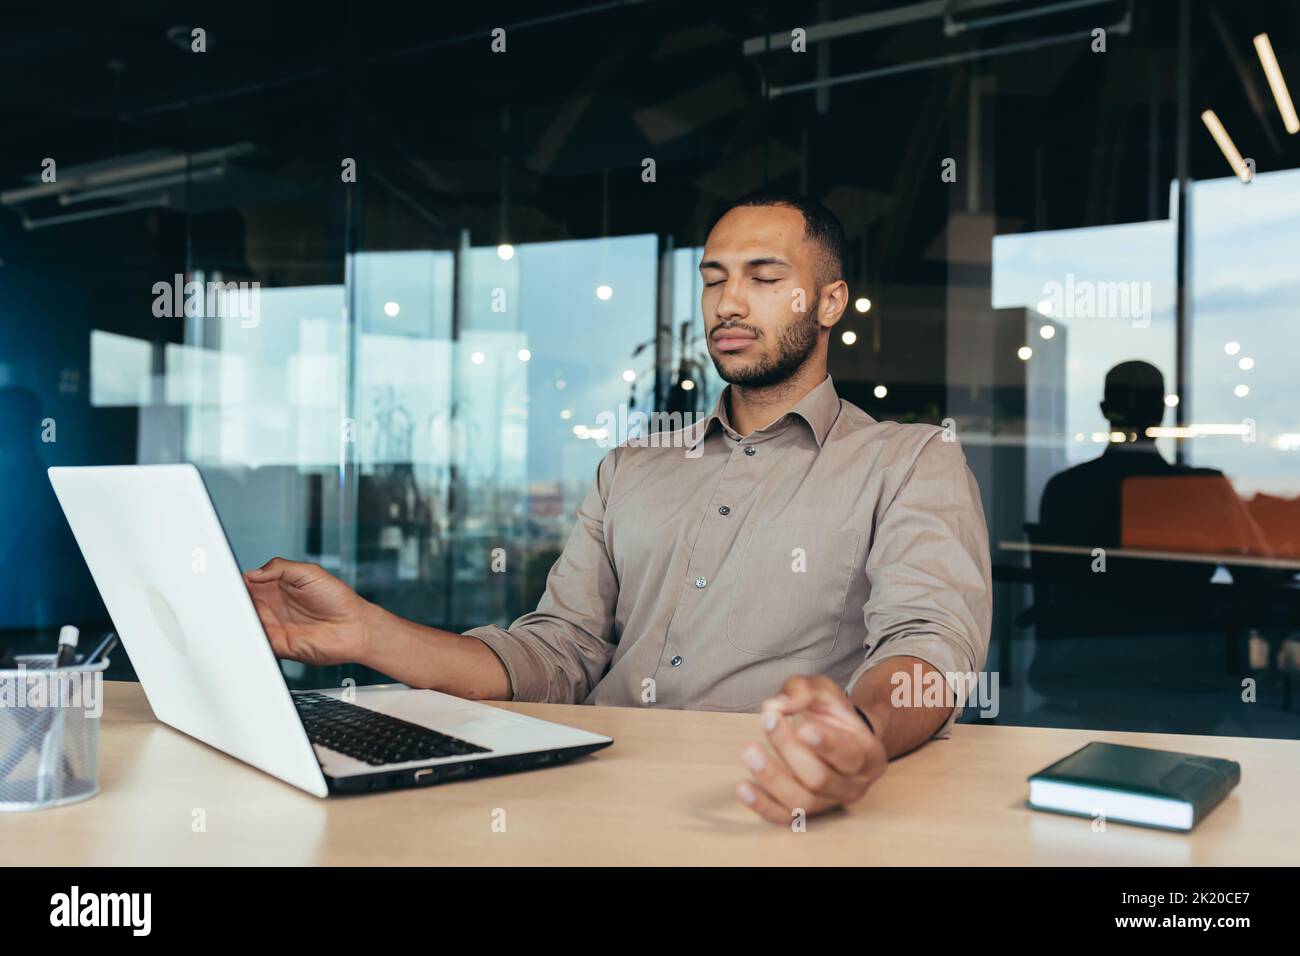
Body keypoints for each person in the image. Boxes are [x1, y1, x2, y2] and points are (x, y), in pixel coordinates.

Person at [245, 194, 992, 824]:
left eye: (764, 278)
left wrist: (856, 731)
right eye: (713, 280)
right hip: (588, 801)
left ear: (829, 301)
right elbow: (556, 652)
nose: (728, 303)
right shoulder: (633, 466)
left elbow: (931, 644)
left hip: (766, 806)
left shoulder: (910, 459)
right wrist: (366, 631)